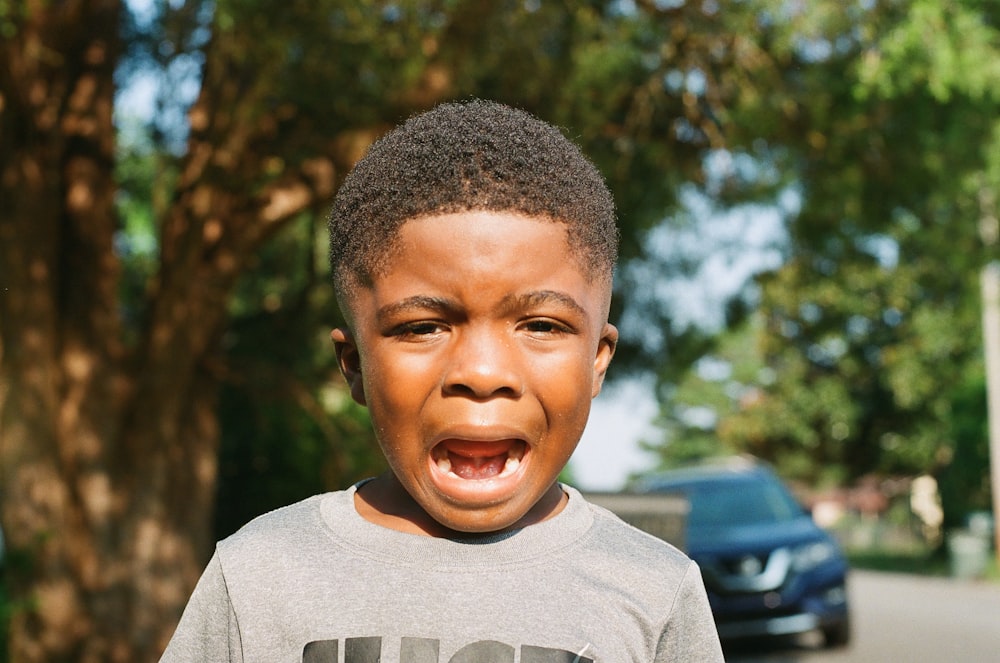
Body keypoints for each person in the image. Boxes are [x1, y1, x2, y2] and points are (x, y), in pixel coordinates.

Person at [160, 99, 724, 662]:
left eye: (542, 325)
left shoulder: (655, 591)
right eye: (423, 327)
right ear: (354, 364)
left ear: (597, 360)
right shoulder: (259, 574)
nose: (481, 375)